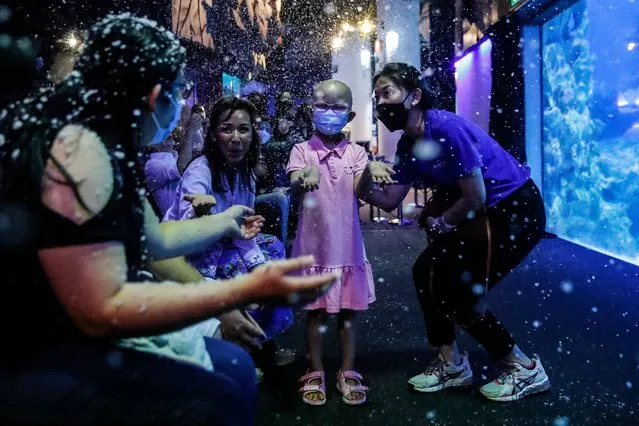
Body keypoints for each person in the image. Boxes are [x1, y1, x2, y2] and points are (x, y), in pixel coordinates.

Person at [0, 14, 337, 425]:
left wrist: (225, 220)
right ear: (155, 95)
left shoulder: (97, 138)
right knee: (221, 394)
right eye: (179, 95)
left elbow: (154, 238)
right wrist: (240, 292)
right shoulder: (77, 152)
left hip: (64, 334)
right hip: (33, 350)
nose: (181, 109)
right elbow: (101, 308)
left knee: (233, 367)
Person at [358, 62, 550, 402]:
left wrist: (444, 222)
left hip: (514, 210)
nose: (381, 103)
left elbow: (476, 195)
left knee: (457, 290)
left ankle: (522, 367)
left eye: (388, 93)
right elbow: (388, 200)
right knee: (425, 272)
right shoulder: (407, 145)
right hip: (480, 211)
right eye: (377, 96)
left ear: (415, 95)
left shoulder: (445, 127)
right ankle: (451, 364)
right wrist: (363, 172)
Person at [164, 96, 296, 368]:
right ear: (214, 134)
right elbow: (190, 223)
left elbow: (242, 225)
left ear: (252, 134)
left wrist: (258, 262)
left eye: (243, 129)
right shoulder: (201, 169)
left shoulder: (245, 171)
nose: (235, 138)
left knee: (272, 260)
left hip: (228, 241)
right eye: (227, 128)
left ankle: (257, 344)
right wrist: (201, 213)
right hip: (194, 251)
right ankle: (234, 354)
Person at [289, 80, 375, 406]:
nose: (329, 112)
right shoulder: (301, 150)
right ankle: (316, 369)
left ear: (349, 115)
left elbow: (360, 191)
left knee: (349, 313)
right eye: (323, 105)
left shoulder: (356, 152)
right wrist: (301, 180)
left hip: (347, 246)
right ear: (312, 110)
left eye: (338, 107)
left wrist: (371, 171)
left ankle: (347, 369)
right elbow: (295, 183)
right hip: (315, 248)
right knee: (315, 314)